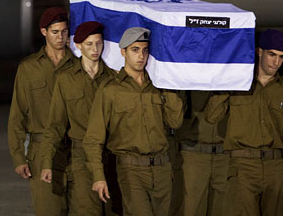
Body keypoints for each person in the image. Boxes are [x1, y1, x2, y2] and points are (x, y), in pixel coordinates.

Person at [84, 27, 184, 216]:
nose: (141, 56)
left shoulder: (158, 86)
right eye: (135, 50)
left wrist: (169, 87)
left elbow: (175, 122)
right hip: (130, 170)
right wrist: (98, 176)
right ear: (123, 52)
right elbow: (93, 138)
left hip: (162, 169)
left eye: (145, 50)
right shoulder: (110, 90)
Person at [205, 29, 283, 216]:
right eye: (272, 55)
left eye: (281, 57)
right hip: (242, 167)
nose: (276, 62)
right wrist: (228, 83)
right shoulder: (237, 83)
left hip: (275, 168)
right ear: (259, 51)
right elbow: (212, 116)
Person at [40, 21, 116, 216]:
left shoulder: (113, 79)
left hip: (113, 155)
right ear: (79, 45)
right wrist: (46, 161)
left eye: (99, 43)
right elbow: (55, 124)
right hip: (81, 156)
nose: (95, 49)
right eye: (89, 44)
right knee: (86, 209)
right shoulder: (66, 79)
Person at [8, 7, 75, 216]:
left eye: (64, 31)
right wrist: (18, 157)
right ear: (44, 32)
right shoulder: (28, 68)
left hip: (76, 151)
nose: (60, 37)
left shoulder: (79, 65)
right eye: (55, 32)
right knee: (48, 210)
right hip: (41, 150)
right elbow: (17, 114)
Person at [174, 90, 229, 216]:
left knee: (224, 209)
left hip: (225, 156)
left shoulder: (235, 79)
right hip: (193, 155)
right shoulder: (187, 79)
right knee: (190, 209)